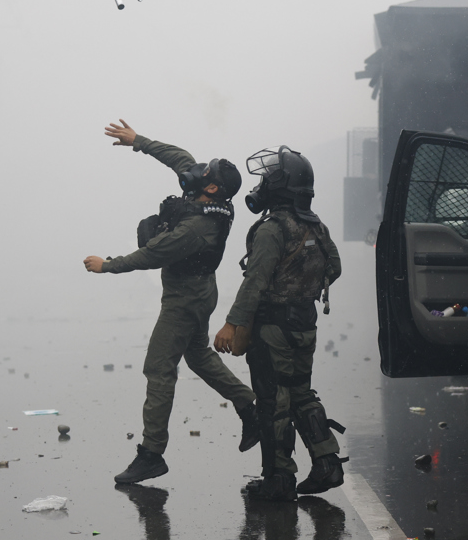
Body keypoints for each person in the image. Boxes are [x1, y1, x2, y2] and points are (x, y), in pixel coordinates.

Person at [84, 119, 260, 484]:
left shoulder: (198, 227)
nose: (196, 171)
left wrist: (107, 266)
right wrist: (138, 141)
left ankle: (151, 454)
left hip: (186, 298)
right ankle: (249, 406)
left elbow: (153, 254)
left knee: (159, 369)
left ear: (213, 187)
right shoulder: (206, 195)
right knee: (197, 354)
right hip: (200, 289)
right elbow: (179, 157)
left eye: (205, 172)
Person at [214, 145, 346, 502]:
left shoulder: (272, 229)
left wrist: (231, 324)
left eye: (268, 179)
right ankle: (327, 463)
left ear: (280, 187)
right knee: (302, 393)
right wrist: (302, 282)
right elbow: (333, 268)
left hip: (272, 327)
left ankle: (278, 480)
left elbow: (255, 281)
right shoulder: (316, 225)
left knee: (274, 403)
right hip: (305, 324)